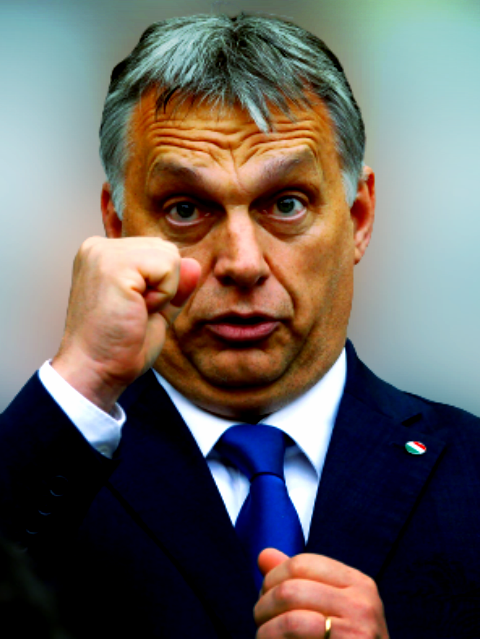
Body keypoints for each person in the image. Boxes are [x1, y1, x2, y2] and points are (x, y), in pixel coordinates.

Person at [0, 13, 479, 639]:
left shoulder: (470, 472)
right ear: (116, 228)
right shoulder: (53, 463)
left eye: (286, 204)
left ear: (359, 218)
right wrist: (83, 378)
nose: (243, 263)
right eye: (185, 209)